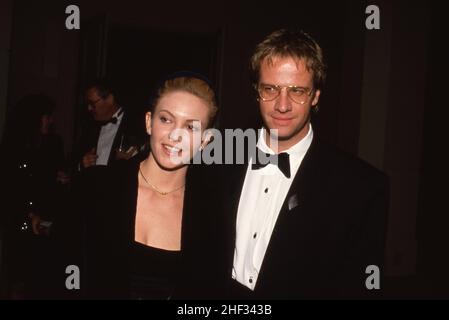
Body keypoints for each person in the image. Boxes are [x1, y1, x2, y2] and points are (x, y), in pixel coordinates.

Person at [216, 29, 389, 299]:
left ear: (316, 96)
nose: (282, 105)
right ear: (256, 91)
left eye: (297, 91)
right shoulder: (220, 161)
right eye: (270, 89)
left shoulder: (361, 187)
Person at [70, 72, 218, 299]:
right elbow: (68, 271)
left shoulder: (212, 213)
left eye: (191, 127)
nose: (175, 135)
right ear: (149, 122)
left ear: (206, 140)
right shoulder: (98, 187)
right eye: (166, 119)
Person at [0, 94, 67, 299]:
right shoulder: (13, 148)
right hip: (20, 221)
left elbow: (52, 179)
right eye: (47, 116)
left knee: (42, 279)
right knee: (19, 278)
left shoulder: (53, 143)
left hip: (46, 220)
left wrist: (63, 178)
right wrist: (28, 214)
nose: (51, 121)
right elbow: (11, 188)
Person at [74, 79, 144, 171]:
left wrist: (129, 162)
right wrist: (82, 164)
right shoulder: (88, 128)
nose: (89, 108)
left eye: (92, 103)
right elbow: (73, 163)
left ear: (110, 99)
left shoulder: (136, 124)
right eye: (88, 104)